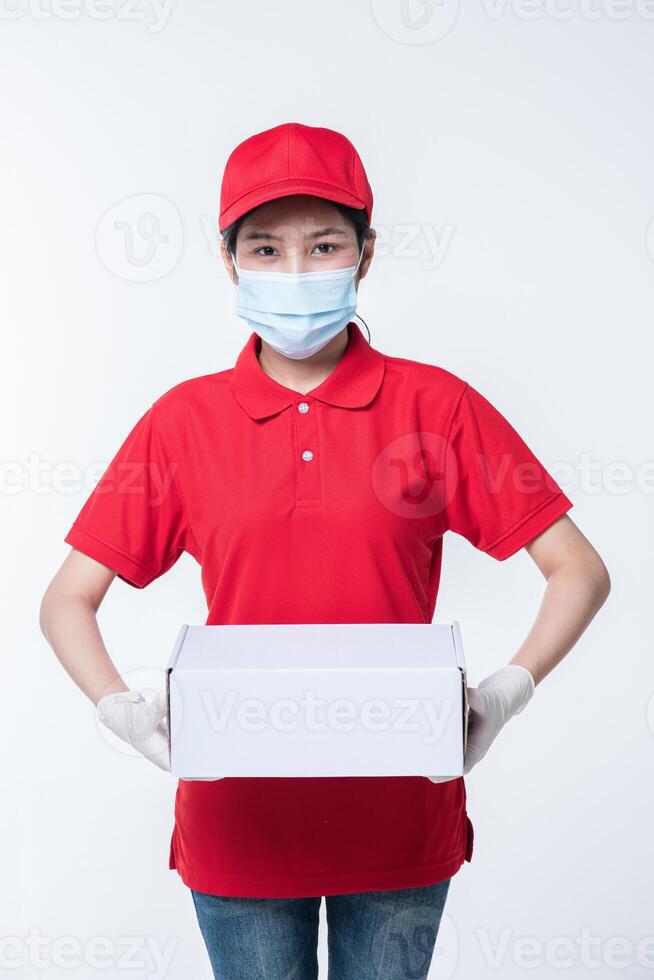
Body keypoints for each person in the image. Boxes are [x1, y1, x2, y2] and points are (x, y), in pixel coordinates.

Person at [39, 122, 611, 980]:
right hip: (239, 824)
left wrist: (506, 691)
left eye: (324, 244)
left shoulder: (438, 407)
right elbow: (66, 599)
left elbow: (579, 569)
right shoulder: (183, 423)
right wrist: (122, 709)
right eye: (265, 247)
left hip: (399, 820)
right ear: (229, 261)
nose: (296, 271)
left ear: (366, 254)